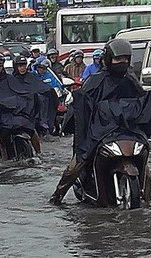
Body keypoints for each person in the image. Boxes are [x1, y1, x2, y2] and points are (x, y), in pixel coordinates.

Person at [49, 40, 148, 205]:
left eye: (125, 59)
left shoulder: (131, 81)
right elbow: (81, 105)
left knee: (146, 163)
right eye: (118, 60)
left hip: (128, 133)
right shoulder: (95, 81)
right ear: (109, 59)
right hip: (99, 132)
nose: (121, 63)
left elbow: (141, 104)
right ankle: (57, 196)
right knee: (78, 163)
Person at [0, 53, 39, 160]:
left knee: (30, 127)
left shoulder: (11, 79)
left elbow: (22, 93)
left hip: (15, 112)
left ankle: (39, 152)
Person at [13, 55, 58, 137]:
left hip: (34, 107)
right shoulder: (12, 79)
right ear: (15, 67)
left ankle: (44, 122)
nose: (22, 68)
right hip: (19, 109)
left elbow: (39, 87)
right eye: (20, 66)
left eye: (23, 66)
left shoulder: (31, 77)